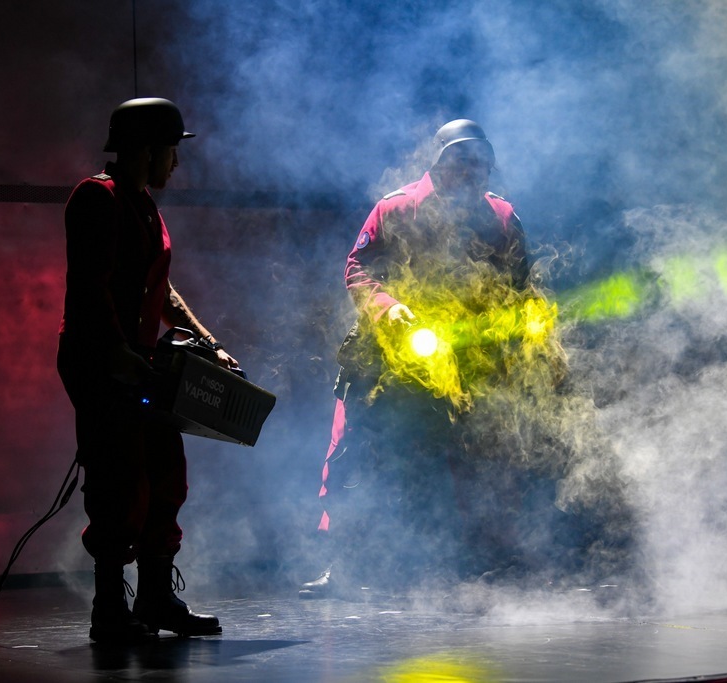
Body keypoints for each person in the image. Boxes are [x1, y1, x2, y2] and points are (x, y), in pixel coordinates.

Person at [302, 119, 564, 597]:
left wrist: (528, 337)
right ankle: (345, 565)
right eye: (461, 163)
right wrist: (387, 308)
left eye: (480, 164)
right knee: (354, 457)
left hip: (468, 363)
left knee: (482, 461)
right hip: (390, 358)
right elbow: (358, 267)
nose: (471, 173)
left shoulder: (502, 217)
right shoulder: (396, 208)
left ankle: (483, 564)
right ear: (439, 165)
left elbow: (522, 286)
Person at [58, 97, 238, 643]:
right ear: (146, 149)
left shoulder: (144, 205)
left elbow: (162, 290)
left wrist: (208, 343)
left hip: (140, 365)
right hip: (102, 363)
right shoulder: (97, 197)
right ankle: (110, 610)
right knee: (118, 482)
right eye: (171, 151)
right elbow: (90, 286)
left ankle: (157, 599)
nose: (176, 163)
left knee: (164, 476)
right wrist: (117, 352)